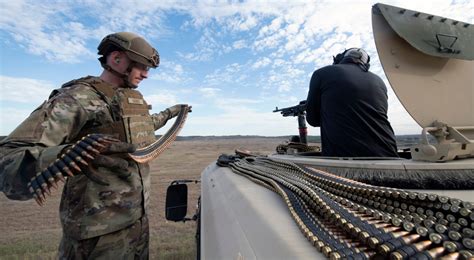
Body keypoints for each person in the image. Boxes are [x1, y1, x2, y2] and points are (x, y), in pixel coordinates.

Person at [0, 32, 186, 259]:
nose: (146, 74)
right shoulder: (77, 98)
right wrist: (67, 155)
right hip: (95, 235)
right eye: (140, 66)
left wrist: (171, 113)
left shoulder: (129, 100)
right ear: (116, 59)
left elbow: (142, 126)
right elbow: (8, 159)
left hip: (135, 222)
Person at [305, 48, 398, 157]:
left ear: (341, 58)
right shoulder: (379, 81)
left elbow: (313, 120)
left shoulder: (321, 74)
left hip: (343, 157)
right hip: (388, 154)